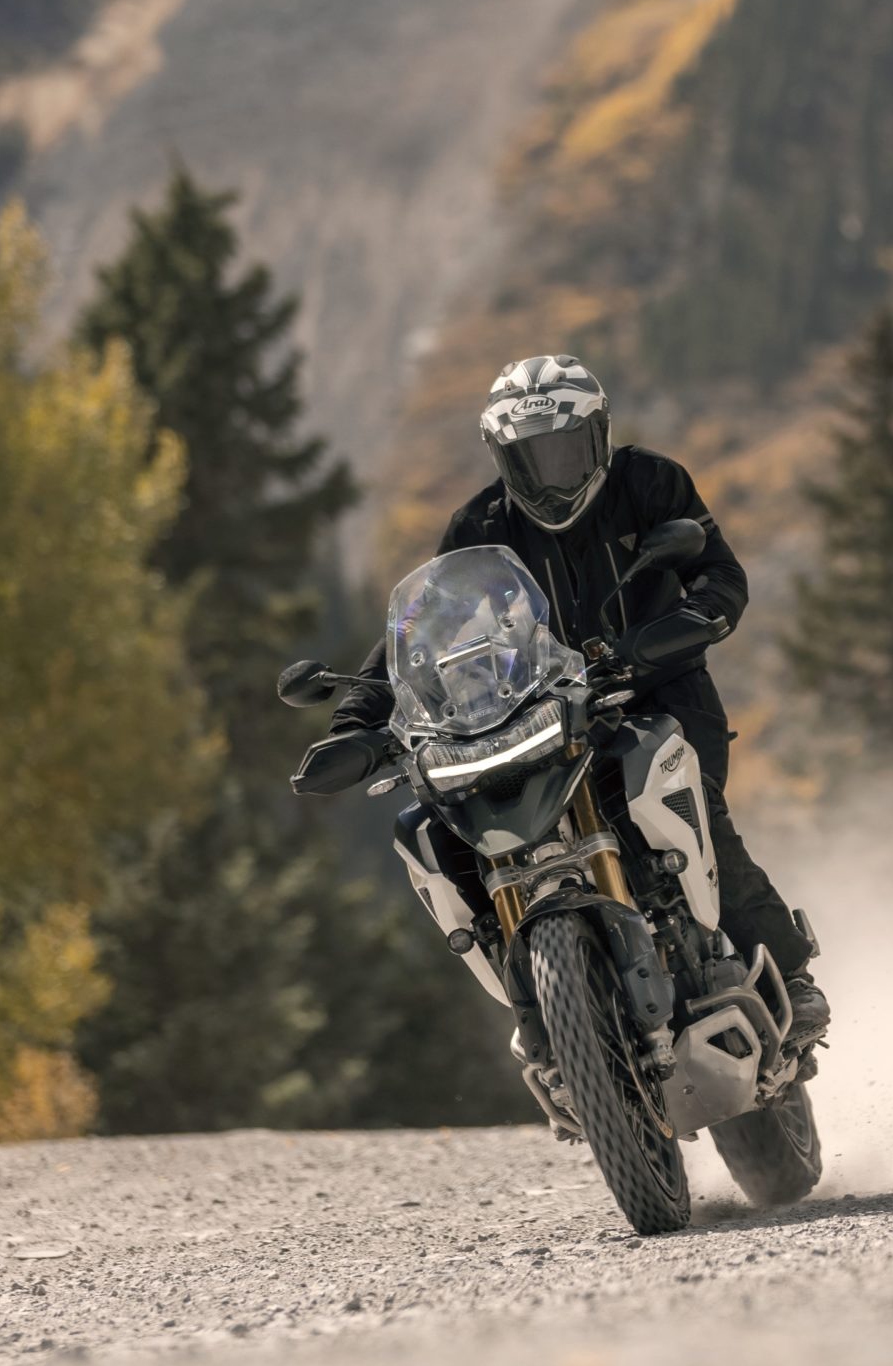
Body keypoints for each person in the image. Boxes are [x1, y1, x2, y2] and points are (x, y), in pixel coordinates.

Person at [328, 354, 829, 1039]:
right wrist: (356, 719)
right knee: (451, 824)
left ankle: (788, 973)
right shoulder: (479, 526)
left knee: (695, 812)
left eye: (565, 450)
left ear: (599, 435)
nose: (551, 473)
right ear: (502, 456)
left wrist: (683, 625)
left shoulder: (650, 482)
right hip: (541, 707)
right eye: (529, 457)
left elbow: (719, 573)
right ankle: (541, 1005)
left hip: (658, 687)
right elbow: (420, 631)